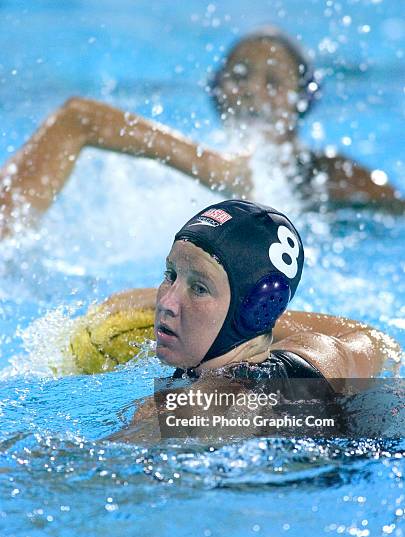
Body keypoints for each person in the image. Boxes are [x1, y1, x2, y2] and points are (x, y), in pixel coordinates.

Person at [0, 26, 403, 239]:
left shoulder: (328, 173)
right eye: (239, 75)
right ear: (217, 89)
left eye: (273, 82)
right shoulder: (179, 179)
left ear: (301, 102)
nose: (250, 90)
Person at [104, 199, 400, 443]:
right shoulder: (319, 356)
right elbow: (374, 338)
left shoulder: (183, 410)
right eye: (170, 275)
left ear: (253, 307)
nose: (166, 303)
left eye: (199, 288)